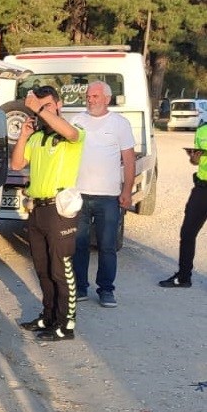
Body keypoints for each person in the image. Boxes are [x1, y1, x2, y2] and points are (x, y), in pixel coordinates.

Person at [10, 85, 85, 342]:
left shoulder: (70, 134)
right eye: (39, 106)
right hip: (37, 208)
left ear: (58, 104)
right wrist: (23, 135)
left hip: (59, 210)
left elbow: (72, 134)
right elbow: (17, 163)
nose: (42, 111)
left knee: (60, 269)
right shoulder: (37, 136)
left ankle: (66, 325)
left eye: (47, 105)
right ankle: (49, 316)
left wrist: (38, 108)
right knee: (42, 268)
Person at [71, 80, 135, 308]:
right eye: (89, 96)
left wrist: (126, 191)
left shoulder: (120, 124)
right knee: (79, 245)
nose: (90, 100)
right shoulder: (77, 120)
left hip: (108, 197)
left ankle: (106, 289)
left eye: (95, 96)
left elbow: (129, 159)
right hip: (80, 195)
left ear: (107, 98)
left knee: (107, 246)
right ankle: (80, 288)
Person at [158, 119, 207, 288]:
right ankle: (184, 277)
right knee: (187, 233)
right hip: (202, 189)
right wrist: (194, 158)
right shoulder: (202, 130)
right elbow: (196, 163)